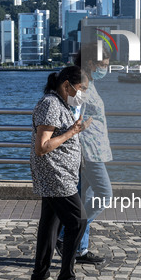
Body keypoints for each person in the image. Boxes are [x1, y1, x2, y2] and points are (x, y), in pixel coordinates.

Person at [28, 65, 93, 280]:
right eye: (81, 88)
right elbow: (42, 146)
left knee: (50, 226)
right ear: (66, 85)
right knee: (78, 221)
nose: (83, 93)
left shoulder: (61, 104)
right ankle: (66, 279)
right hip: (55, 175)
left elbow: (58, 135)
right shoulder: (51, 104)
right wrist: (71, 132)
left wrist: (76, 130)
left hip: (60, 174)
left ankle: (40, 276)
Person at [57, 47, 112, 265]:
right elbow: (70, 113)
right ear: (91, 63)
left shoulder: (89, 82)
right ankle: (65, 235)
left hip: (94, 149)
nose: (106, 70)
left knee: (83, 199)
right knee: (104, 194)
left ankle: (79, 249)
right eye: (104, 65)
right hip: (88, 152)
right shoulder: (79, 83)